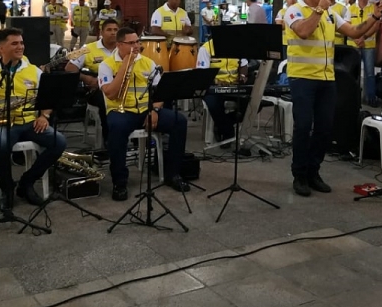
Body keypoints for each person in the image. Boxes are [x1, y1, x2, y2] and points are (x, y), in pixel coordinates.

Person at [284, 0, 382, 196]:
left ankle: (314, 171)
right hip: (302, 78)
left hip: (327, 79)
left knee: (324, 128)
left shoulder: (330, 14)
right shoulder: (295, 10)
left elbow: (355, 31)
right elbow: (302, 31)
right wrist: (319, 10)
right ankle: (299, 175)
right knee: (303, 127)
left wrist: (375, 17)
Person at [0, 28, 66, 210]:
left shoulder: (33, 71)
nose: (20, 47)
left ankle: (27, 182)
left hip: (29, 122)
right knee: (1, 144)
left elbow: (48, 99)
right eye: (15, 43)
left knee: (59, 141)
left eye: (21, 43)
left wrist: (44, 116)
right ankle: (7, 187)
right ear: (1, 48)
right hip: (0, 123)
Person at [98, 27, 191, 200]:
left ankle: (173, 174)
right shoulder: (106, 65)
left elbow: (160, 92)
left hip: (146, 110)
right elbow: (109, 92)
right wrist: (126, 64)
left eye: (137, 42)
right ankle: (120, 182)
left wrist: (155, 110)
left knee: (180, 122)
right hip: (121, 112)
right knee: (116, 130)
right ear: (119, 45)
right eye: (131, 43)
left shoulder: (148, 63)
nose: (136, 46)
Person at [66, 18, 119, 145]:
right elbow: (69, 68)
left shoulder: (124, 47)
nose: (113, 33)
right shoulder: (86, 48)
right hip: (97, 90)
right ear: (101, 32)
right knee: (106, 101)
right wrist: (87, 78)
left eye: (116, 30)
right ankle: (109, 140)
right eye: (109, 30)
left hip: (120, 86)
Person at [198, 34, 249, 144]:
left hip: (234, 86)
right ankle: (228, 132)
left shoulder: (237, 47)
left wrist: (243, 76)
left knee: (253, 103)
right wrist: (216, 82)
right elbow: (202, 74)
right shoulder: (206, 49)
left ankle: (224, 124)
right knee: (213, 104)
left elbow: (244, 65)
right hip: (213, 88)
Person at [348, 0, 380, 105]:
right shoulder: (350, 9)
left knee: (369, 73)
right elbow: (347, 26)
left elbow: (376, 26)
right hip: (353, 45)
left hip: (369, 45)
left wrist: (363, 37)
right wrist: (356, 38)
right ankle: (353, 98)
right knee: (353, 73)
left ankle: (370, 98)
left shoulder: (373, 8)